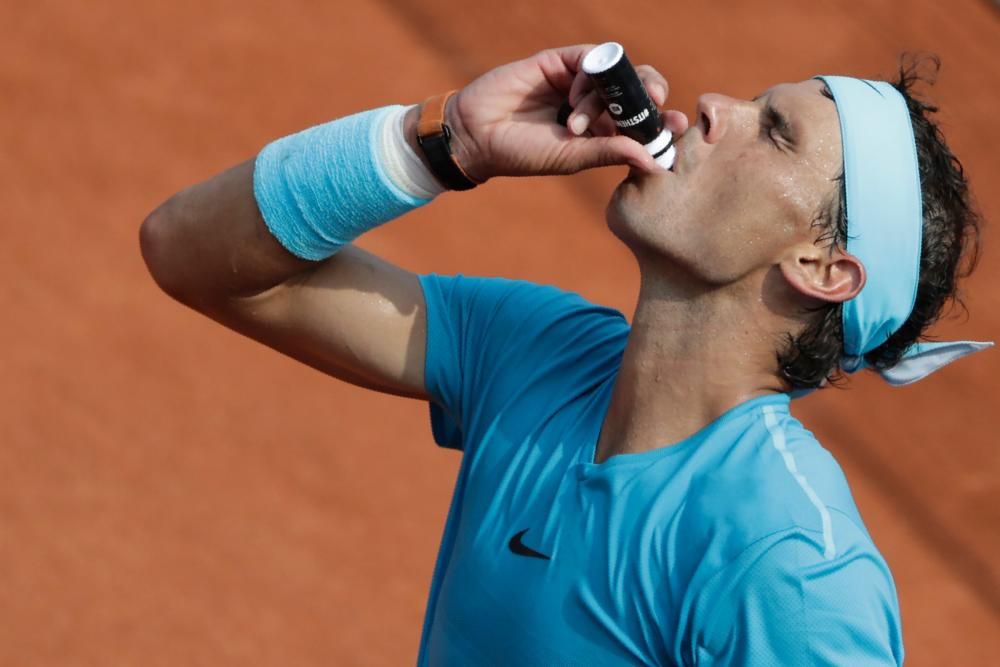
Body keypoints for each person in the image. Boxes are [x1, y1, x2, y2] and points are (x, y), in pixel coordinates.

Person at [140, 43, 986, 665]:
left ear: (824, 268)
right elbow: (192, 253)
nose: (717, 105)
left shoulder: (789, 564)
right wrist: (448, 142)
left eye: (774, 132)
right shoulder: (537, 352)